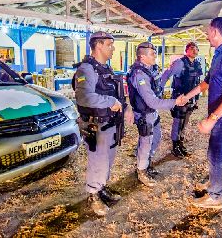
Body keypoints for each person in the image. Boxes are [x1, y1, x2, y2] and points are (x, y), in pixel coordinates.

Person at [183, 17, 222, 209]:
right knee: (213, 152)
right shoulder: (218, 54)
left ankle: (215, 197)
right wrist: (187, 96)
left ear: (216, 32)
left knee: (215, 154)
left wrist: (212, 119)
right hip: (219, 115)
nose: (207, 36)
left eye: (208, 32)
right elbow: (207, 82)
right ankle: (213, 181)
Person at [74, 31, 134, 216]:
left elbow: (117, 95)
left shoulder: (105, 69)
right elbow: (85, 97)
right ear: (98, 45)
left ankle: (101, 188)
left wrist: (127, 108)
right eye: (109, 44)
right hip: (96, 125)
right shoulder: (86, 69)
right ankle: (93, 194)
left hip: (110, 124)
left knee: (107, 160)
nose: (113, 48)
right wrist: (111, 103)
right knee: (98, 162)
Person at [127, 42, 187, 187]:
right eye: (152, 54)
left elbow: (158, 85)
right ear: (142, 56)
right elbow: (152, 101)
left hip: (152, 113)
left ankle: (146, 164)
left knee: (157, 137)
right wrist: (175, 102)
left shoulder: (149, 70)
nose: (155, 56)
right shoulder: (139, 74)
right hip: (144, 114)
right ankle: (141, 171)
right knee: (145, 143)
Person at [160, 42, 203, 158]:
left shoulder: (197, 64)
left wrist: (197, 98)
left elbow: (198, 82)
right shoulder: (179, 63)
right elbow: (166, 75)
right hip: (180, 97)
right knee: (178, 122)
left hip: (191, 98)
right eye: (192, 48)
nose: (195, 51)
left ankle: (180, 143)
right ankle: (175, 146)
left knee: (185, 122)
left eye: (196, 49)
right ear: (186, 50)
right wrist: (159, 90)